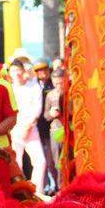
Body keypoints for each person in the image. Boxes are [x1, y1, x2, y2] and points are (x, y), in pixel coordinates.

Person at [8, 58, 47, 192]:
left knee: (40, 162)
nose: (17, 73)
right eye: (13, 70)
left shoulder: (33, 87)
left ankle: (38, 192)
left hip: (31, 129)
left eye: (19, 70)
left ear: (23, 71)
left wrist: (28, 126)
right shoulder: (9, 88)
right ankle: (20, 193)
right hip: (15, 130)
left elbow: (37, 109)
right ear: (10, 73)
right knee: (16, 164)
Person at [33, 61, 58, 194]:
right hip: (37, 127)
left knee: (52, 159)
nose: (42, 73)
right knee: (42, 160)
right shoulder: (34, 86)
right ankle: (46, 185)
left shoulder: (53, 86)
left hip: (51, 127)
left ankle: (54, 185)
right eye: (38, 71)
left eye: (44, 70)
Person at [43, 68, 67, 189]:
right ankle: (60, 188)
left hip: (69, 129)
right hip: (56, 130)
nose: (59, 86)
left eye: (61, 83)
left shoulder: (71, 93)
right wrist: (51, 114)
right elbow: (45, 115)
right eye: (56, 83)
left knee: (69, 160)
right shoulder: (50, 95)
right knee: (58, 162)